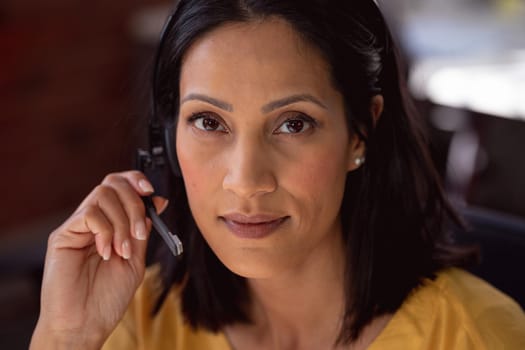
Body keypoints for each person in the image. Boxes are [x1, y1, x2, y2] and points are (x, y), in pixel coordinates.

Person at [30, 0, 525, 349]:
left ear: (360, 133)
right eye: (209, 122)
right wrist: (66, 337)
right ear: (167, 138)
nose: (246, 181)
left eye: (293, 124)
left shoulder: (477, 336)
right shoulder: (135, 320)